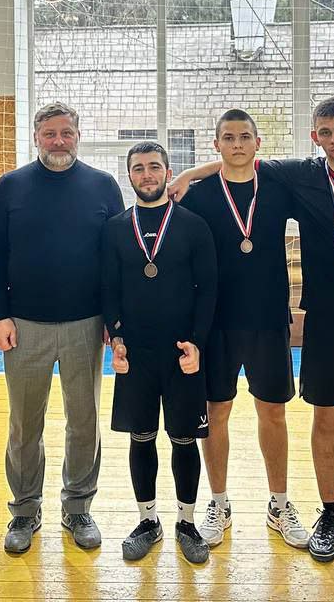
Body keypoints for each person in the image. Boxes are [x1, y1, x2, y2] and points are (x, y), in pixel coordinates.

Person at [172, 95, 334, 565]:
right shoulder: (301, 176)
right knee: (326, 419)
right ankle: (329, 513)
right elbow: (238, 161)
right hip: (326, 318)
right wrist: (189, 174)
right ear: (315, 137)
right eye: (326, 132)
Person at [0, 102, 124, 554]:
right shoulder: (10, 186)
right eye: (50, 134)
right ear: (36, 137)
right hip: (24, 326)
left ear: (78, 135)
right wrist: (0, 315)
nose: (58, 141)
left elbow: (116, 259)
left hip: (86, 325)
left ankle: (78, 507)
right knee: (25, 425)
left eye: (66, 133)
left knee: (84, 422)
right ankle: (25, 510)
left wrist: (113, 320)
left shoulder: (103, 186)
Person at [175, 109, 309, 549]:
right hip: (216, 324)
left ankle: (279, 504)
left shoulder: (277, 187)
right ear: (216, 144)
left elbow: (327, 173)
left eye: (244, 137)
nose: (237, 144)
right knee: (216, 412)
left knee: (274, 412)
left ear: (257, 143)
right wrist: (190, 176)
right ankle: (219, 502)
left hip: (268, 319)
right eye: (228, 138)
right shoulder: (198, 195)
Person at [102, 142, 217, 565]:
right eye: (138, 168)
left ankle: (186, 523)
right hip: (136, 353)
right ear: (129, 175)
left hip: (181, 351)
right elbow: (108, 288)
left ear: (168, 172)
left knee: (184, 438)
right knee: (142, 437)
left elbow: (208, 289)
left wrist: (198, 343)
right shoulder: (115, 228)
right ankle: (147, 521)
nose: (147, 174)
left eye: (154, 167)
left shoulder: (193, 226)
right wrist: (116, 337)